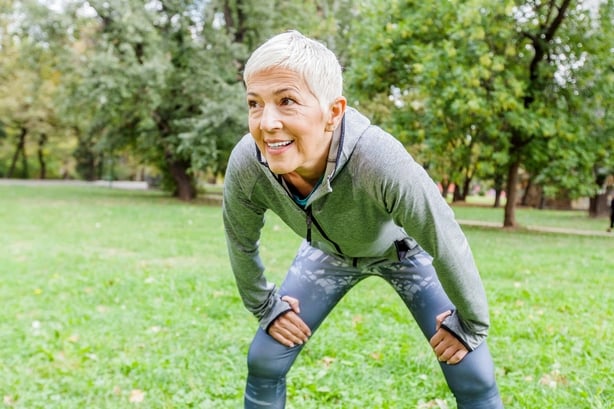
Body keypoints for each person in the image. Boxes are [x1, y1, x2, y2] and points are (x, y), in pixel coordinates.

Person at [223, 30, 504, 409]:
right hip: (326, 254)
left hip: (403, 253)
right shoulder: (248, 163)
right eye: (254, 103)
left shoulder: (378, 160)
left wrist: (470, 323)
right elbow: (240, 238)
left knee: (473, 373)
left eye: (287, 101)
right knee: (264, 359)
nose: (266, 122)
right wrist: (265, 306)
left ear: (333, 113)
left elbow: (444, 237)